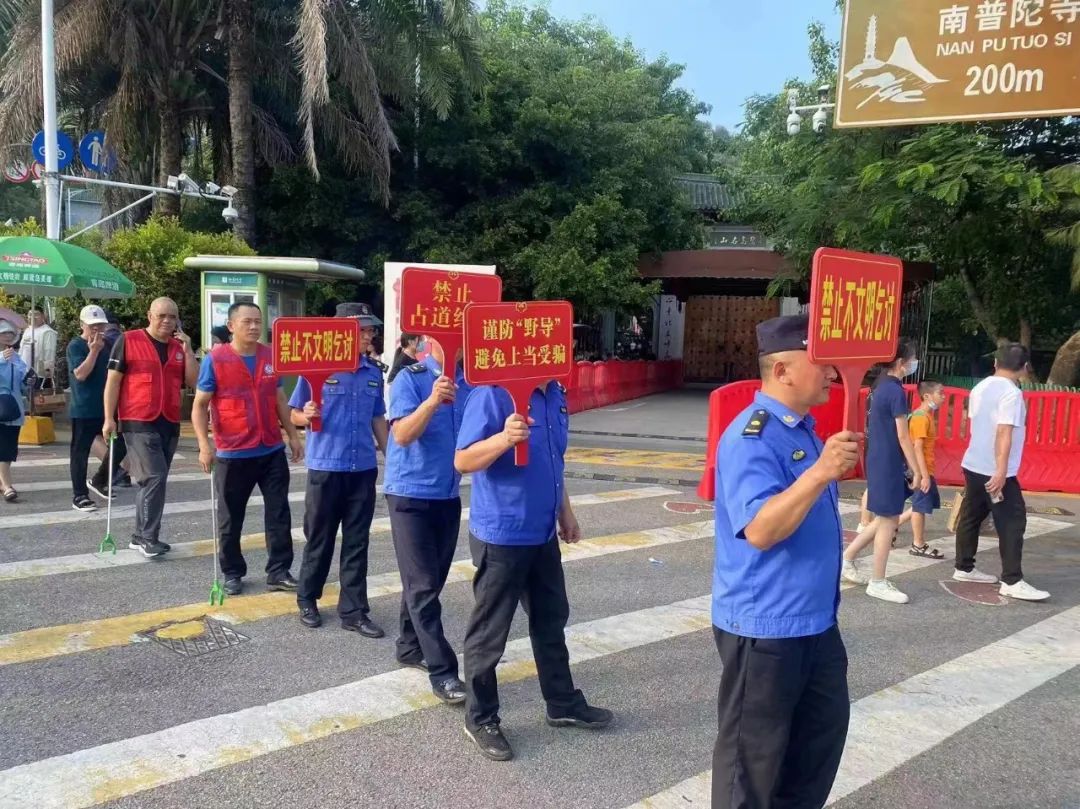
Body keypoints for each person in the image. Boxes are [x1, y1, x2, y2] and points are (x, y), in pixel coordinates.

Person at [711, 313, 857, 809]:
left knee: (816, 749)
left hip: (816, 623)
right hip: (766, 628)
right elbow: (760, 530)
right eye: (821, 362)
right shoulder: (750, 438)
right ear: (782, 370)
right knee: (751, 768)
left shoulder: (804, 431)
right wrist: (819, 473)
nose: (832, 373)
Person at [455, 373, 611, 763]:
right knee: (490, 631)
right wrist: (503, 439)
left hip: (542, 532)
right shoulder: (492, 393)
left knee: (550, 619)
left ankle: (561, 702)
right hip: (503, 533)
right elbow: (463, 460)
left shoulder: (555, 392)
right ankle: (481, 718)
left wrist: (565, 512)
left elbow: (553, 459)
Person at [289, 302, 389, 637]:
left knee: (357, 542)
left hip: (362, 468)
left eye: (371, 330)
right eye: (363, 330)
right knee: (320, 538)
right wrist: (305, 415)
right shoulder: (316, 367)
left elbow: (378, 418)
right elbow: (294, 414)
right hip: (326, 467)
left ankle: (354, 611)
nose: (369, 335)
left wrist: (392, 457)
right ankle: (307, 598)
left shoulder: (373, 373)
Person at [191, 302, 304, 596]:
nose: (254, 327)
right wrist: (204, 445)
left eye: (257, 321)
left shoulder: (270, 356)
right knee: (231, 518)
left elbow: (280, 399)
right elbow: (200, 406)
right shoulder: (216, 360)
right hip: (233, 452)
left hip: (270, 449)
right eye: (247, 322)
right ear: (231, 326)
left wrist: (293, 435)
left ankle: (278, 571)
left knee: (279, 513)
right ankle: (232, 572)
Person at [383, 346, 470, 705]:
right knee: (421, 586)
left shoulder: (473, 382)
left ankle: (409, 645)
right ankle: (443, 671)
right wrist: (433, 400)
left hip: (447, 493)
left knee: (429, 581)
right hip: (409, 494)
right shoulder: (410, 378)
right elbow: (402, 434)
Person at [953, 343, 1049, 601]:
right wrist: (1001, 471)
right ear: (1025, 368)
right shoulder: (1011, 393)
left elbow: (974, 423)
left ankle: (964, 567)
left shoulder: (980, 387)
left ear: (995, 363)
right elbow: (1004, 431)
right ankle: (1012, 580)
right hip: (994, 470)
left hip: (973, 463)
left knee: (971, 516)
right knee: (1013, 521)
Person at [103, 297, 198, 557]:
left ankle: (139, 536)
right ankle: (148, 538)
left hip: (169, 421)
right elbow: (113, 381)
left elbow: (195, 381)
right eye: (161, 316)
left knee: (155, 481)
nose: (167, 321)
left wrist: (188, 350)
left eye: (172, 317)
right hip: (138, 421)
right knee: (154, 477)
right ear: (149, 316)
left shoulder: (178, 347)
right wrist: (109, 418)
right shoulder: (128, 340)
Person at [841, 339, 922, 604]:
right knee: (888, 520)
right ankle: (877, 581)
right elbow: (903, 436)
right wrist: (916, 469)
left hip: (876, 457)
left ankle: (847, 557)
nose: (914, 363)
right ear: (901, 362)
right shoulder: (895, 391)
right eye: (912, 359)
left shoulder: (878, 386)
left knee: (885, 516)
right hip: (888, 460)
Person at [67, 305, 124, 511]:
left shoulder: (109, 344)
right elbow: (80, 374)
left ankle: (100, 479)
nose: (97, 329)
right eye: (92, 326)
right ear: (82, 325)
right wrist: (93, 351)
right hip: (84, 408)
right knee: (80, 452)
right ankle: (80, 495)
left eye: (100, 325)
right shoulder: (76, 345)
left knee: (121, 444)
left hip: (108, 406)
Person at [907, 380, 947, 558]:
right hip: (922, 470)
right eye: (940, 393)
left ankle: (892, 528)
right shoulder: (921, 418)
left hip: (924, 469)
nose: (943, 397)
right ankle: (918, 544)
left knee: (919, 504)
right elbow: (918, 448)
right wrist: (924, 476)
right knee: (919, 507)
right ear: (927, 396)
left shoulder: (924, 416)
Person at [0, 318, 28, 502]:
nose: (8, 336)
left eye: (10, 333)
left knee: (9, 448)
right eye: (4, 333)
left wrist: (29, 380)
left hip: (14, 408)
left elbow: (23, 381)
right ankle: (7, 485)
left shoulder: (16, 357)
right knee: (2, 447)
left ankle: (3, 483)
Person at [18, 307, 57, 388]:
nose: (32, 317)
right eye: (30, 314)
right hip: (24, 372)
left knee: (38, 395)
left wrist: (47, 371)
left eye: (36, 314)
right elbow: (21, 350)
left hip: (39, 374)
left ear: (43, 316)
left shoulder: (48, 332)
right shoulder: (27, 330)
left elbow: (49, 352)